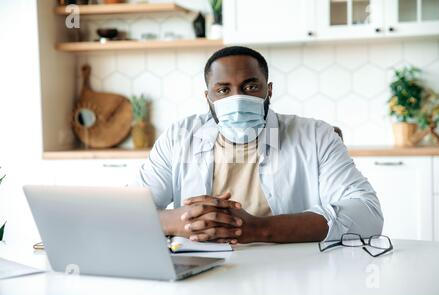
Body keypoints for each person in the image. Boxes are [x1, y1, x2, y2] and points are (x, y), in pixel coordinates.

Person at [136, 46, 383, 244]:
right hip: (200, 269)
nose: (237, 99)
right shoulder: (179, 137)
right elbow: (130, 211)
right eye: (223, 90)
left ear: (269, 91)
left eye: (250, 87)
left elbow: (366, 214)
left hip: (293, 271)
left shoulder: (316, 136)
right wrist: (177, 220)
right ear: (208, 97)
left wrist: (257, 229)